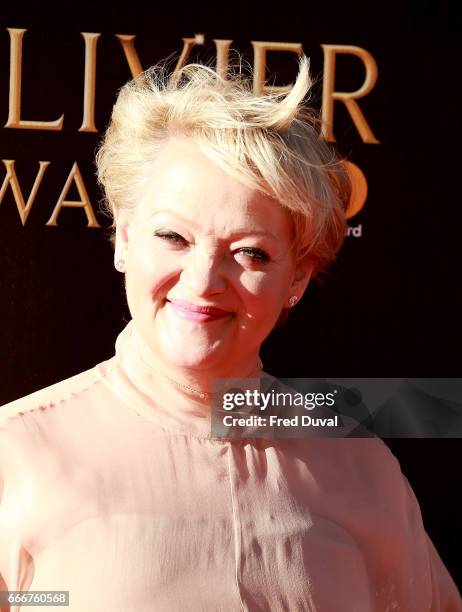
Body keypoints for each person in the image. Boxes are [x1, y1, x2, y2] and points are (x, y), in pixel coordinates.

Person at [0, 53, 460, 612]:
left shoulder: (356, 462)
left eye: (249, 252)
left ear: (299, 276)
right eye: (173, 236)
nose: (202, 281)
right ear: (123, 239)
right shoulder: (16, 454)